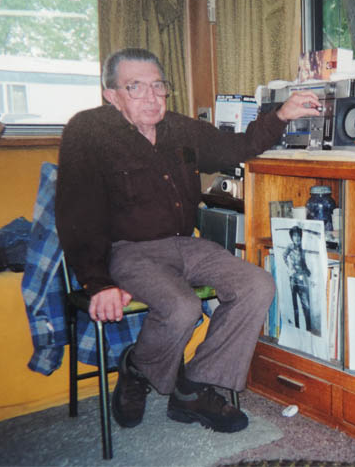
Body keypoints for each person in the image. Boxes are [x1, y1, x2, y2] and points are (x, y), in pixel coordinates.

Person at [55, 47, 320, 433]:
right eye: (135, 87)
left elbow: (235, 147)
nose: (151, 97)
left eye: (157, 86)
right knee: (182, 307)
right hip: (129, 251)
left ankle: (193, 388)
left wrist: (281, 115)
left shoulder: (179, 128)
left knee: (257, 284)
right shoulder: (88, 132)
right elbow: (78, 214)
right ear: (112, 95)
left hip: (185, 244)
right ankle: (137, 367)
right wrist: (98, 282)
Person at [282, 225, 318, 336]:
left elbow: (304, 264)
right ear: (291, 237)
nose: (297, 238)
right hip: (293, 279)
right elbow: (284, 256)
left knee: (306, 306)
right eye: (294, 236)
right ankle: (296, 328)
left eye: (298, 236)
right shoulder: (290, 247)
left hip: (302, 279)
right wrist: (289, 267)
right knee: (295, 306)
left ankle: (308, 330)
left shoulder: (302, 249)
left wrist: (310, 274)